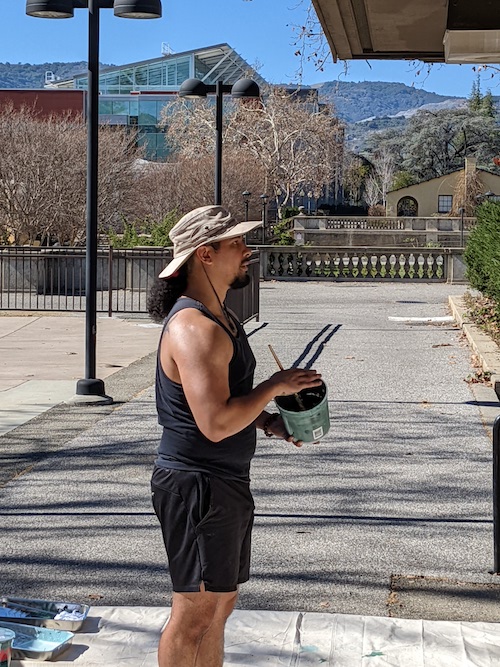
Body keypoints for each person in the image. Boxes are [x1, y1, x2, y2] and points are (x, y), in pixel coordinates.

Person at [148, 205, 322, 667]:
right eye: (238, 244)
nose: (250, 252)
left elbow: (228, 402)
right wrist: (275, 387)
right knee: (195, 610)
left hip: (222, 482)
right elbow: (214, 422)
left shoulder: (221, 317)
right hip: (195, 485)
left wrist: (269, 421)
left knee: (221, 603)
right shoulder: (194, 328)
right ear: (205, 254)